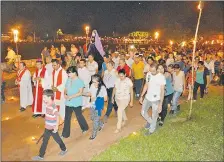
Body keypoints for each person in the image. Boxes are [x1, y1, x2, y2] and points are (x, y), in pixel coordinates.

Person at [32, 89, 67, 161]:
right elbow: (49, 114)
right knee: (45, 141)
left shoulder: (53, 106)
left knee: (58, 140)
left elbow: (57, 116)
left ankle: (64, 149)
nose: (43, 99)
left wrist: (56, 126)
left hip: (52, 128)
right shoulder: (48, 104)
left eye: (44, 97)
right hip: (47, 127)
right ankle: (41, 155)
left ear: (49, 97)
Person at [61, 66, 89, 139]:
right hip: (68, 102)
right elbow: (65, 88)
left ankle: (85, 128)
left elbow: (80, 93)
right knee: (67, 117)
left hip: (76, 102)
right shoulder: (68, 79)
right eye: (68, 73)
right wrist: (65, 94)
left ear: (74, 73)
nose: (68, 75)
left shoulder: (79, 81)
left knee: (79, 116)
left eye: (69, 73)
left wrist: (71, 96)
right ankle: (65, 134)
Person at [139, 63, 165, 135]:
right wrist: (141, 96)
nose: (151, 72)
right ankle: (152, 122)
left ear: (157, 70)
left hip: (156, 100)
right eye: (150, 70)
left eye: (153, 71)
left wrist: (160, 104)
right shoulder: (149, 74)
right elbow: (146, 85)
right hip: (147, 97)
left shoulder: (161, 77)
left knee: (154, 115)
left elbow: (162, 91)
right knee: (143, 112)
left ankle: (151, 130)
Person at [84, 74, 107, 140]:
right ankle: (101, 123)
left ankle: (94, 134)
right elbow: (90, 94)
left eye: (94, 82)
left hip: (98, 106)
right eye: (92, 81)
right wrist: (82, 93)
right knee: (92, 118)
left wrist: (97, 98)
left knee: (95, 121)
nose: (92, 83)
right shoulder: (91, 85)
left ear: (98, 81)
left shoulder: (102, 88)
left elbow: (105, 99)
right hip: (92, 105)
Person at [112, 69, 133, 133]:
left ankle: (118, 127)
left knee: (119, 111)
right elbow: (115, 88)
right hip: (117, 98)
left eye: (122, 76)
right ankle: (125, 119)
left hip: (125, 98)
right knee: (121, 110)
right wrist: (112, 97)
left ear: (125, 75)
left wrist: (131, 101)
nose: (120, 77)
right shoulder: (117, 80)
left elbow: (131, 91)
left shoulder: (128, 81)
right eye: (119, 76)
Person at [51, 59, 68, 123]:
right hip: (55, 92)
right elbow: (52, 80)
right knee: (55, 105)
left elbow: (65, 83)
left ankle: (62, 119)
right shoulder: (54, 71)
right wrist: (52, 86)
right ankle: (57, 118)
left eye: (54, 65)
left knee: (61, 106)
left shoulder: (63, 72)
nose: (53, 67)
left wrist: (57, 88)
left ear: (58, 64)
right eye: (52, 65)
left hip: (60, 92)